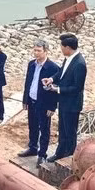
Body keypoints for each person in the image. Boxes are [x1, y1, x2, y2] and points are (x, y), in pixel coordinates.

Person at [42, 34, 87, 162]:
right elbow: (61, 72)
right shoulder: (68, 58)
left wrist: (57, 89)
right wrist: (51, 79)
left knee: (70, 132)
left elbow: (77, 87)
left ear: (68, 47)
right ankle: (60, 153)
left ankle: (69, 157)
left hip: (72, 104)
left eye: (62, 46)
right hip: (63, 102)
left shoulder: (79, 64)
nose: (60, 49)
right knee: (62, 129)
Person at [17, 40, 60, 166]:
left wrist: (52, 107)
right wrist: (25, 99)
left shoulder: (53, 68)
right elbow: (28, 83)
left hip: (44, 103)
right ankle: (32, 148)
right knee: (32, 126)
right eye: (34, 50)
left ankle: (42, 154)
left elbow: (55, 89)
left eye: (39, 51)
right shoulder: (31, 64)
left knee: (44, 129)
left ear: (46, 51)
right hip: (32, 100)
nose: (36, 53)